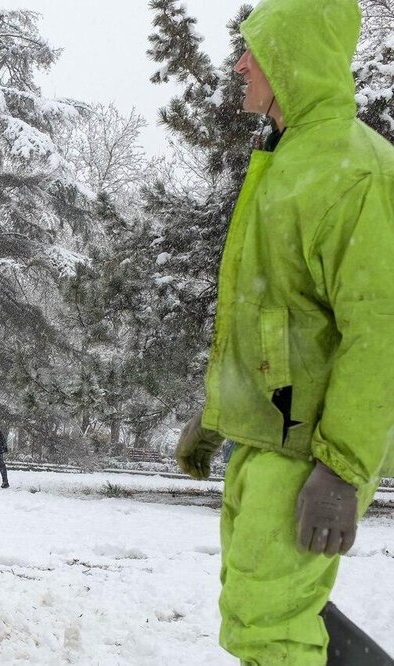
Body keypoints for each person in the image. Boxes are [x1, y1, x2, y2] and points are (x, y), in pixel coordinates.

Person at [174, 0, 394, 662]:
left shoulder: (356, 167)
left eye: (256, 52)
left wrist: (342, 466)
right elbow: (267, 316)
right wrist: (216, 415)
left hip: (309, 452)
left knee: (268, 626)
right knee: (265, 609)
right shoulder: (286, 155)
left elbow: (379, 329)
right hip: (267, 439)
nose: (240, 63)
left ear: (293, 62)